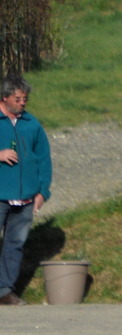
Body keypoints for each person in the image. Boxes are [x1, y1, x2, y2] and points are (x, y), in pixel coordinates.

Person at [0, 76, 52, 307]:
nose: (22, 103)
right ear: (5, 97)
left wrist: (42, 191)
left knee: (15, 244)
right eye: (18, 99)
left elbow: (43, 158)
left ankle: (5, 291)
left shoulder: (32, 123)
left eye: (25, 99)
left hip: (26, 198)